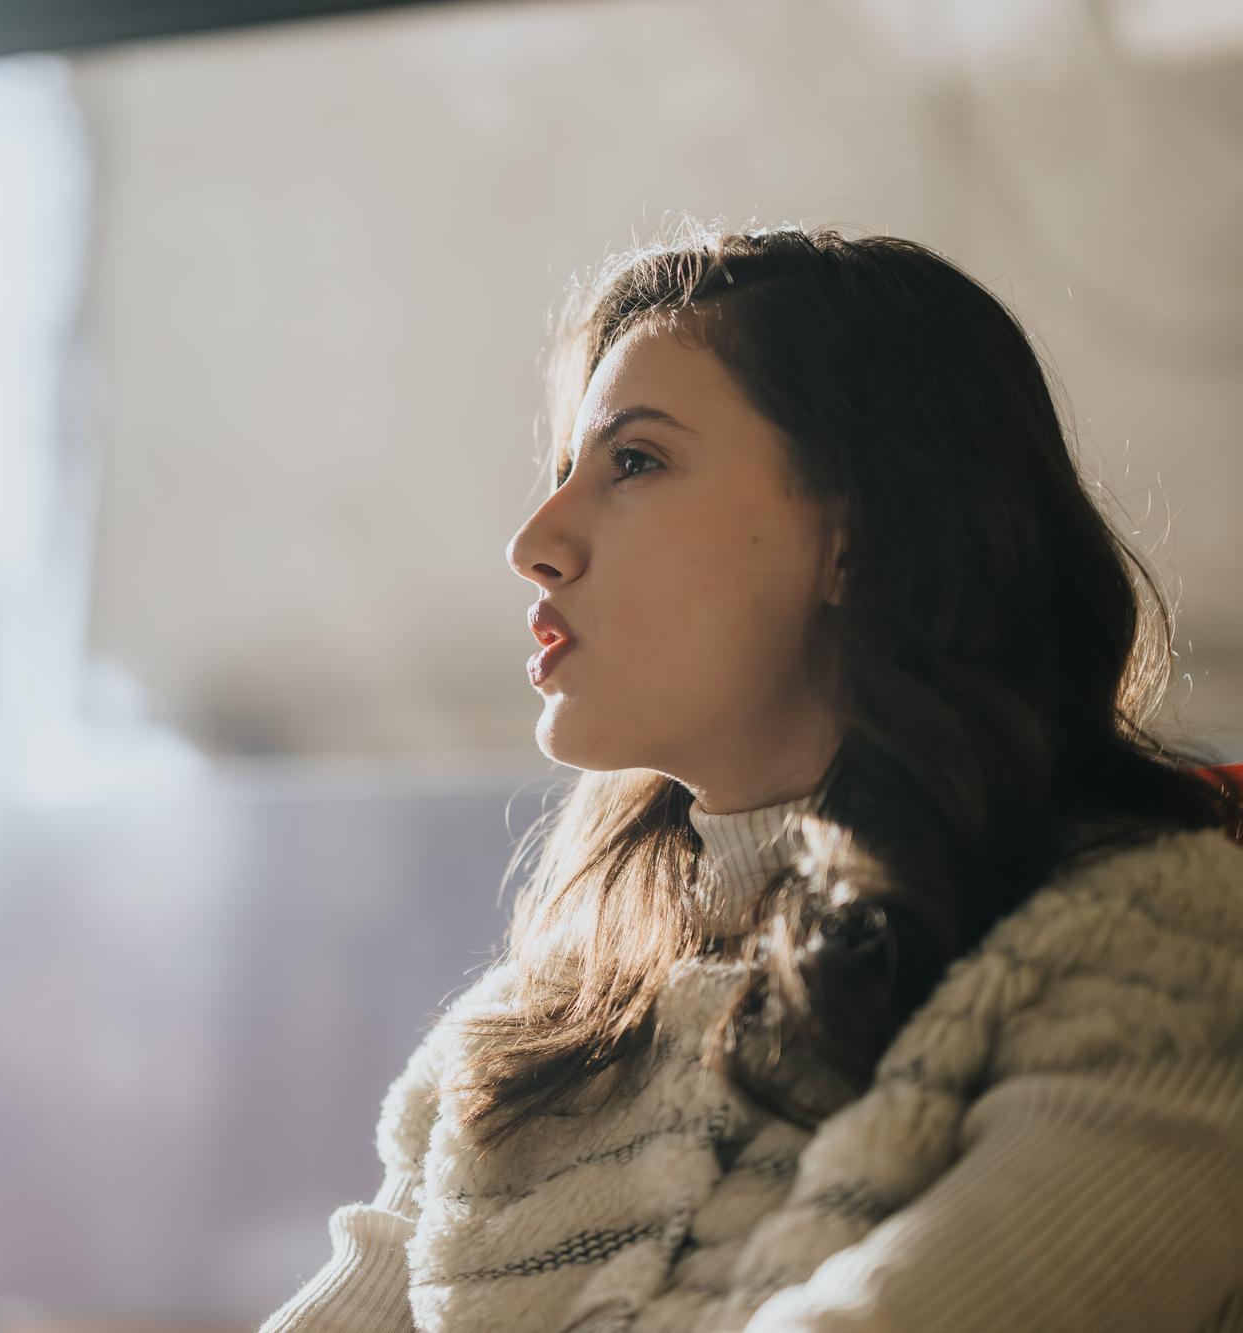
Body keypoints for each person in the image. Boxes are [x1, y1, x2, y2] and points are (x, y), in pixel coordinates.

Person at [264, 226, 1243, 1333]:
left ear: (860, 536)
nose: (532, 541)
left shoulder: (1164, 957)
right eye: (560, 474)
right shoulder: (519, 1040)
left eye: (633, 460)